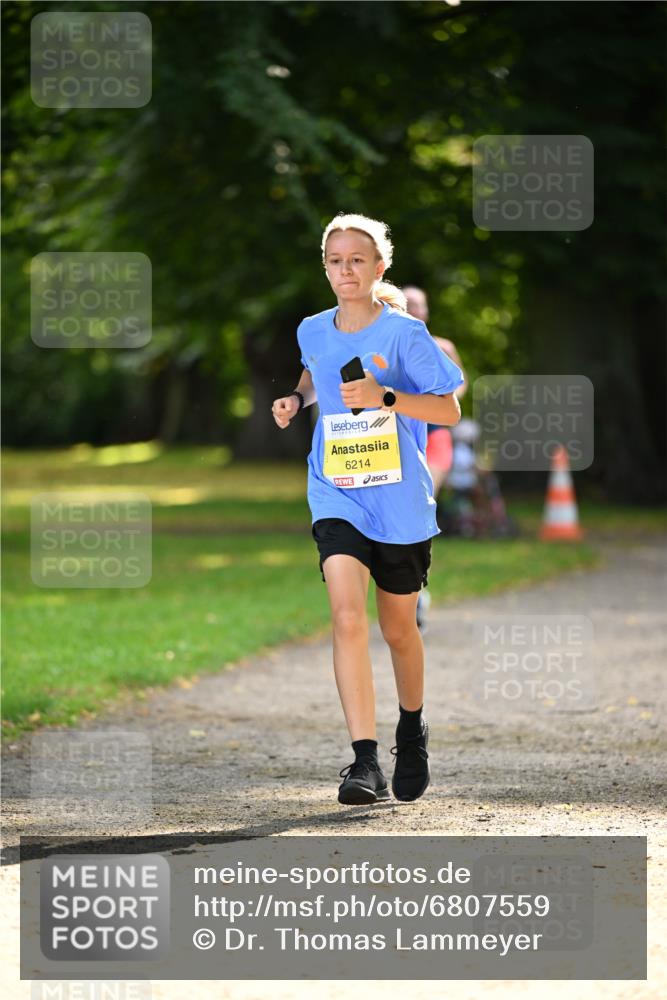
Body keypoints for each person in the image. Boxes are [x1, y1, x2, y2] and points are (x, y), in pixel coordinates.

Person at [271, 213, 464, 807]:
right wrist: (297, 399)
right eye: (335, 260)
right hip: (336, 490)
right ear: (325, 269)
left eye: (357, 259)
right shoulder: (313, 329)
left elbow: (448, 412)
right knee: (347, 618)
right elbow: (315, 374)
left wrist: (387, 397)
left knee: (398, 629)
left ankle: (413, 730)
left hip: (400, 497)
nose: (345, 270)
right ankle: (363, 762)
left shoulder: (406, 335)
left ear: (380, 267)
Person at [402, 286, 468, 630]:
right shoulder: (387, 346)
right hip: (397, 442)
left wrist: (433, 394)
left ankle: (418, 590)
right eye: (407, 304)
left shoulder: (441, 347)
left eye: (418, 305)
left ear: (426, 311)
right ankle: (410, 589)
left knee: (420, 504)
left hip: (434, 440)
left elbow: (460, 386)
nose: (412, 310)